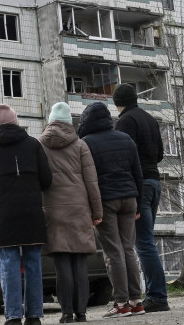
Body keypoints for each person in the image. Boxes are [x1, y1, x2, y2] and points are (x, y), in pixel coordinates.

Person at [0, 104, 53, 325]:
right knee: (33, 262)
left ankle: (13, 316)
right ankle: (34, 316)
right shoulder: (33, 144)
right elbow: (47, 179)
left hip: (4, 214)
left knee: (9, 262)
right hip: (31, 212)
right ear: (16, 121)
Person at [78, 101, 145, 318]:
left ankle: (121, 303)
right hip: (129, 199)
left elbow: (88, 179)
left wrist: (91, 208)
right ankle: (137, 301)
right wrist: (139, 203)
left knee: (113, 252)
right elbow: (138, 173)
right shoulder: (126, 139)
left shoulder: (86, 143)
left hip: (106, 201)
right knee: (128, 249)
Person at [40, 102, 102, 324]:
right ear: (69, 122)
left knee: (62, 263)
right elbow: (91, 182)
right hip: (79, 209)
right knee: (79, 263)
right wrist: (97, 211)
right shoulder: (80, 146)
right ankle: (81, 313)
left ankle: (66, 313)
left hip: (53, 210)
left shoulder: (41, 144)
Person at [113, 83, 170, 313]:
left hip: (140, 185)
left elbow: (125, 154)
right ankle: (155, 294)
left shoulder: (126, 121)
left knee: (143, 242)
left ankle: (157, 296)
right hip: (155, 183)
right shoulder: (149, 119)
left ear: (118, 103)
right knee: (146, 241)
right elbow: (159, 154)